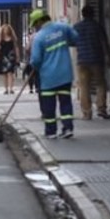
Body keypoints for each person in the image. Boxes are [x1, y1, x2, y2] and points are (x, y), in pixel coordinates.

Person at [29, 9, 79, 139]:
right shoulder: (63, 28)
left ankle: (51, 131)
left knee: (49, 105)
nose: (35, 27)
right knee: (65, 102)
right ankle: (68, 127)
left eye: (35, 24)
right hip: (65, 74)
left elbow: (36, 59)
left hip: (48, 78)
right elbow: (76, 39)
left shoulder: (39, 37)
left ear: (40, 21)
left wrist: (34, 67)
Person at [73, 6, 110, 120]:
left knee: (84, 86)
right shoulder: (97, 26)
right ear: (93, 14)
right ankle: (101, 108)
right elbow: (104, 43)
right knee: (100, 83)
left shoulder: (77, 27)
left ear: (82, 14)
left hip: (82, 61)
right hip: (96, 60)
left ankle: (87, 112)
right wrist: (108, 57)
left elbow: (72, 41)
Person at [0, 23, 21, 95]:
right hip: (3, 57)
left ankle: (11, 88)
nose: (6, 31)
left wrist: (18, 56)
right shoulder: (0, 38)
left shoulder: (12, 38)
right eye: (4, 30)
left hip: (11, 57)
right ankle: (6, 89)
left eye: (7, 30)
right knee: (4, 74)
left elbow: (16, 47)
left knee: (10, 73)